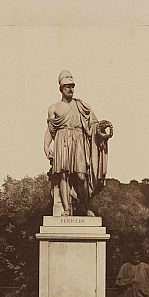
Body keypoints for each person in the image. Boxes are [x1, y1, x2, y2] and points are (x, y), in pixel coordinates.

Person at [44, 70, 112, 216]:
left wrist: (100, 130)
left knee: (81, 176)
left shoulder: (83, 106)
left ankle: (86, 206)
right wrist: (46, 146)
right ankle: (67, 209)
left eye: (72, 86)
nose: (71, 89)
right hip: (62, 142)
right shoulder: (54, 108)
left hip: (79, 142)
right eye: (67, 86)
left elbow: (94, 125)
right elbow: (50, 130)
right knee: (63, 176)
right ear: (61, 88)